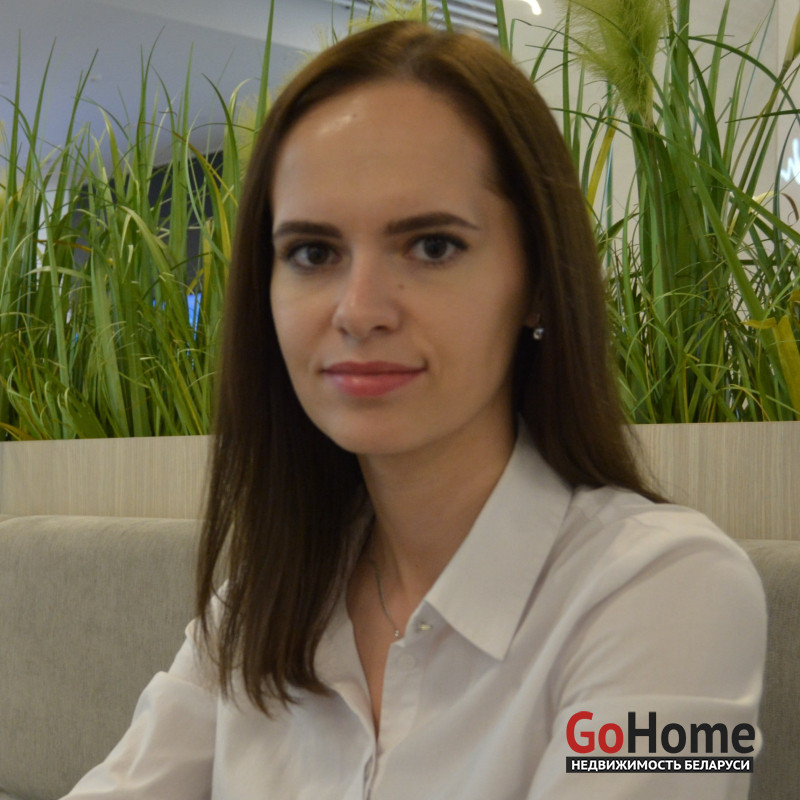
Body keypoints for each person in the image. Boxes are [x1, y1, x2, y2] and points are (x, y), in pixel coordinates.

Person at [62, 19, 766, 800]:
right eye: (313, 253)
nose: (359, 310)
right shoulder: (261, 605)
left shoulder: (673, 590)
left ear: (538, 282)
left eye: (432, 246)